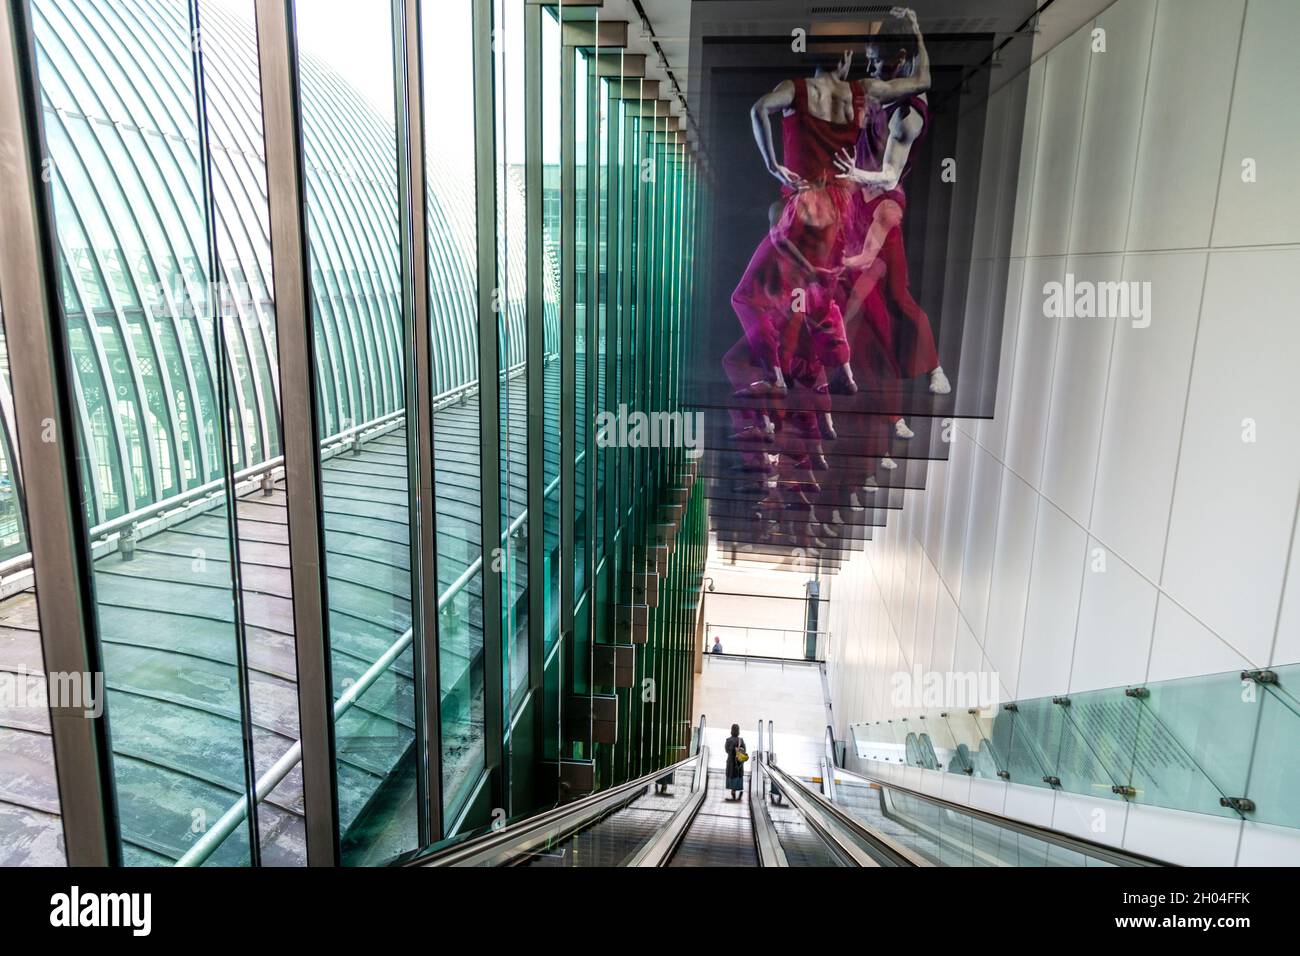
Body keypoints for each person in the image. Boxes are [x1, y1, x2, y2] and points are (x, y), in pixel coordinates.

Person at [725, 723, 747, 799]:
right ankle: (738, 788)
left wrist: (732, 750)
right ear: (738, 731)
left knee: (732, 775)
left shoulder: (728, 740)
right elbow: (744, 751)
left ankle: (732, 789)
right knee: (738, 775)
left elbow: (727, 750)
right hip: (739, 762)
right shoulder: (741, 740)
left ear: (731, 731)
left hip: (731, 762)